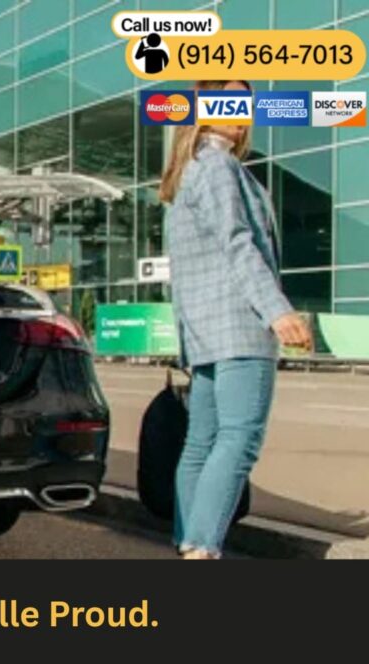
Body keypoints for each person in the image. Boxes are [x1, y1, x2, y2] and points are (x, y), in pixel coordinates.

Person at [160, 80, 313, 560]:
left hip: (205, 331)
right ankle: (202, 549)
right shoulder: (219, 166)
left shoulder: (187, 172)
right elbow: (238, 244)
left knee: (202, 442)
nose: (241, 113)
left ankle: (189, 544)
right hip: (239, 325)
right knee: (239, 439)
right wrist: (276, 309)